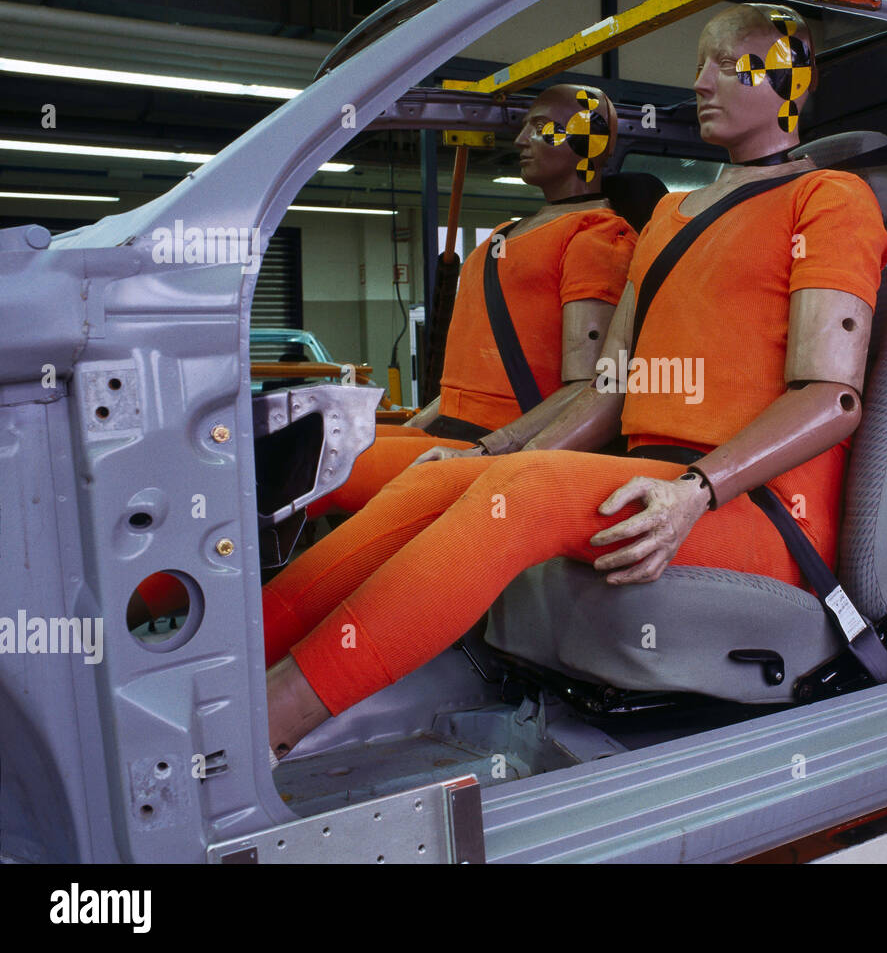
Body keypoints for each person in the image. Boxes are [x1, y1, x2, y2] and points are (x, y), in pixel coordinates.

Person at [262, 3, 887, 759]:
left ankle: (264, 726)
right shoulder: (668, 216)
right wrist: (487, 453)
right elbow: (607, 388)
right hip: (656, 473)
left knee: (521, 496)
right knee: (437, 485)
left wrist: (693, 490)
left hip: (757, 504)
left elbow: (833, 396)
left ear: (787, 82)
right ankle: (233, 665)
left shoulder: (827, 199)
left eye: (728, 65)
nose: (699, 80)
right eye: (701, 62)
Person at [128, 85, 635, 628]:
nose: (520, 138)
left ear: (590, 142)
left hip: (488, 443)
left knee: (307, 467)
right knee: (265, 444)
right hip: (450, 428)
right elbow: (476, 371)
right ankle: (142, 591)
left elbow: (585, 386)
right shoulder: (510, 234)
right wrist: (415, 419)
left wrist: (491, 454)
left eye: (539, 126)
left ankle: (176, 622)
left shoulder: (595, 236)